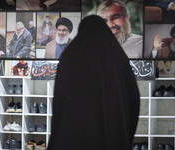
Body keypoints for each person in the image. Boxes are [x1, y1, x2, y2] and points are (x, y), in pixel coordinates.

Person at [47, 15, 140, 150]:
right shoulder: (117, 58)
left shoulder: (69, 56)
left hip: (72, 135)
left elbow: (59, 100)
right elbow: (133, 99)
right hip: (111, 135)